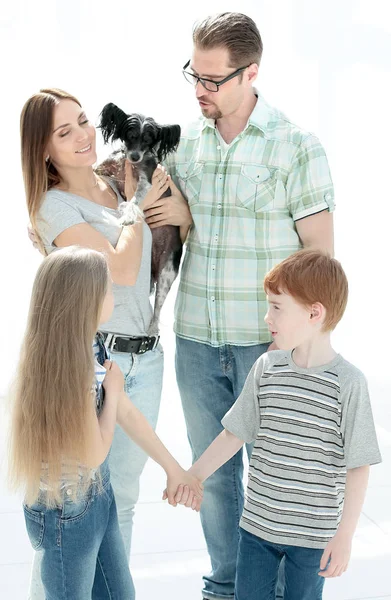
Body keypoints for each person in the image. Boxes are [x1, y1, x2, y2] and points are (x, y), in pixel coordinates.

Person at [145, 12, 335, 600]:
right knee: (216, 480)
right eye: (193, 76)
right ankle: (226, 588)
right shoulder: (182, 148)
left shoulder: (295, 146)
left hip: (269, 346)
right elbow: (154, 222)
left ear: (251, 73)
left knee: (281, 483)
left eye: (213, 80)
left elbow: (320, 258)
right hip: (198, 342)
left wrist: (305, 348)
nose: (200, 91)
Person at [20, 88, 185, 598]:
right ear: (42, 150)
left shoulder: (117, 180)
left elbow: (179, 226)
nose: (83, 136)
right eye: (63, 132)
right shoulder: (53, 207)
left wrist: (172, 207)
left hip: (147, 353)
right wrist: (139, 207)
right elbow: (118, 266)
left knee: (122, 501)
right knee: (72, 508)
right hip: (95, 357)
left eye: (84, 121)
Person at [170, 249, 382, 600]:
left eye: (277, 307)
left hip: (312, 538)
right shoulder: (267, 367)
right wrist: (195, 475)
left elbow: (358, 466)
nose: (267, 317)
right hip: (257, 531)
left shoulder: (348, 383)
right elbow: (233, 434)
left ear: (315, 312)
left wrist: (344, 536)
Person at [8, 246, 202, 600]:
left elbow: (128, 414)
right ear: (85, 302)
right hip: (67, 512)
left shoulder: (92, 346)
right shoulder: (73, 367)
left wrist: (174, 469)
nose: (115, 296)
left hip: (97, 493)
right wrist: (111, 393)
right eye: (109, 290)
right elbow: (95, 451)